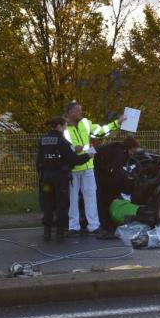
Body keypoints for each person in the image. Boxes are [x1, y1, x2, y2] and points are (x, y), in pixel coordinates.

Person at [63, 101, 126, 236]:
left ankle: (94, 226)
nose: (81, 113)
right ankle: (73, 226)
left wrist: (117, 123)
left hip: (88, 167)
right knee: (73, 198)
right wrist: (74, 148)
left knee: (90, 196)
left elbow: (100, 131)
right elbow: (62, 146)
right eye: (79, 111)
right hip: (73, 168)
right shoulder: (63, 128)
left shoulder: (85, 123)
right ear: (71, 112)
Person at [36, 117, 91, 242]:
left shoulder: (43, 140)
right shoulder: (62, 141)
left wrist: (42, 174)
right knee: (61, 204)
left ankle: (47, 233)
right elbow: (74, 160)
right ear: (60, 126)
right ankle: (60, 233)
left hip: (46, 178)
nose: (66, 127)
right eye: (65, 125)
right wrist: (88, 156)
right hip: (60, 178)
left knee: (47, 203)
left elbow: (38, 161)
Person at [93, 135, 140, 239]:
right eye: (133, 150)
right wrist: (127, 177)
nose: (133, 153)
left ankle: (106, 223)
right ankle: (105, 224)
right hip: (102, 175)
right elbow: (116, 169)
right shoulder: (120, 153)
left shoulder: (119, 149)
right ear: (129, 147)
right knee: (105, 199)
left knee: (106, 198)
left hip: (102, 173)